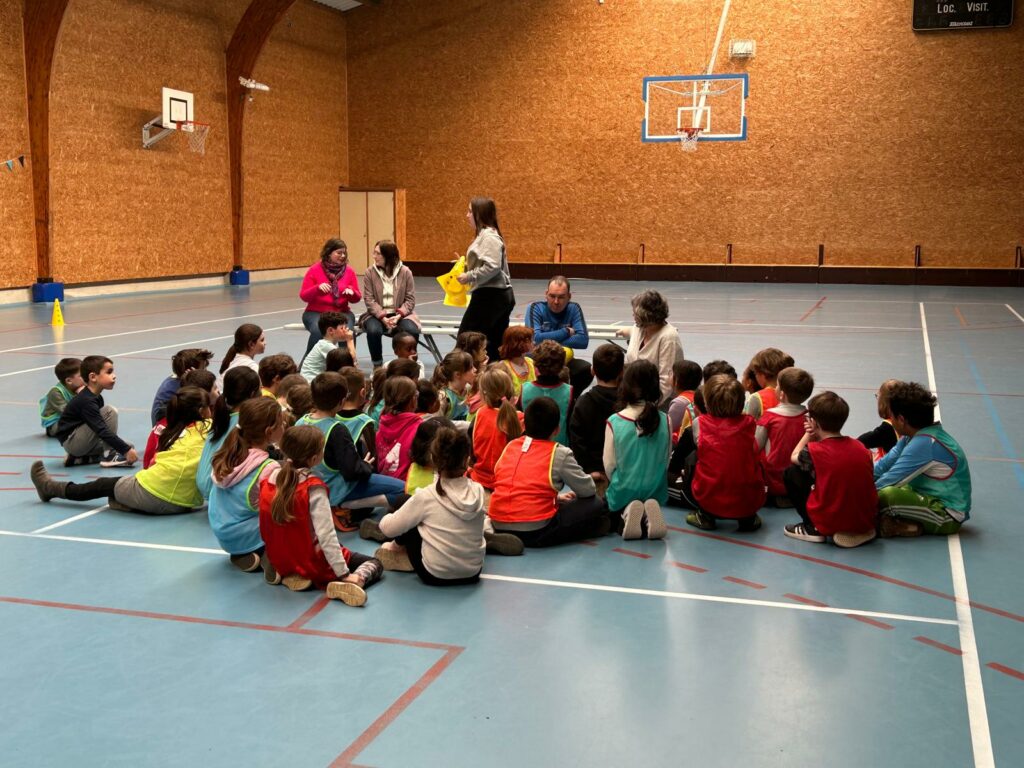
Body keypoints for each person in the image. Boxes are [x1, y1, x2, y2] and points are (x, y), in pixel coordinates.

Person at [31, 387, 212, 515]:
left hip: (158, 496)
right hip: (182, 501)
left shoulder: (175, 429)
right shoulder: (209, 427)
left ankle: (51, 488)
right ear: (202, 411)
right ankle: (51, 489)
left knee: (102, 484)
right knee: (114, 486)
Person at [258, 425, 384, 605]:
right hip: (311, 561)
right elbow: (327, 536)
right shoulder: (313, 488)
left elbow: (265, 527)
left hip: (281, 557)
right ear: (314, 458)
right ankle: (350, 582)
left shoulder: (269, 480)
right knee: (375, 563)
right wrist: (343, 573)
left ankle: (289, 572)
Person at [374, 426, 488, 586]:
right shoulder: (479, 490)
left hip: (434, 575)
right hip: (473, 572)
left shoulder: (426, 496)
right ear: (467, 460)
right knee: (421, 513)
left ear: (434, 460)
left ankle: (398, 549)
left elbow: (387, 529)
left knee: (404, 503)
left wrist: (389, 517)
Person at [489, 397, 608, 548]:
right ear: (557, 429)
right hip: (535, 529)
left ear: (524, 424)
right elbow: (588, 490)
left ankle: (502, 537)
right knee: (596, 504)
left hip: (498, 522)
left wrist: (555, 499)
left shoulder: (511, 446)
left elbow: (515, 484)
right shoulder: (559, 453)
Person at [296, 372, 406, 532]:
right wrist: (365, 465)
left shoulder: (300, 422)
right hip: (337, 489)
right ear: (342, 401)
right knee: (402, 489)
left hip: (310, 486)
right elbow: (351, 472)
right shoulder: (337, 430)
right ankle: (343, 507)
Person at [874, 382, 972, 537]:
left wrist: (851, 495)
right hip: (924, 495)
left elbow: (890, 480)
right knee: (885, 493)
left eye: (891, 416)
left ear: (901, 419)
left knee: (887, 495)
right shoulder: (912, 436)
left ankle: (899, 524)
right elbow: (882, 466)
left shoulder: (926, 443)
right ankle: (903, 525)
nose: (890, 420)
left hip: (947, 514)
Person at [783, 392, 878, 548]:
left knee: (792, 473)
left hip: (832, 521)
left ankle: (812, 527)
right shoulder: (860, 447)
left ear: (814, 422)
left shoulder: (814, 452)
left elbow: (793, 456)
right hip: (866, 519)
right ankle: (858, 528)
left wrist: (808, 434)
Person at [680, 374, 767, 532]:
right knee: (747, 461)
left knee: (694, 458)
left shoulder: (700, 422)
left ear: (707, 403)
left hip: (709, 498)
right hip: (749, 500)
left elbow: (699, 446)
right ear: (742, 402)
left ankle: (705, 516)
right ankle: (748, 518)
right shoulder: (749, 422)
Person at [209, 398, 284, 573]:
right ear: (269, 431)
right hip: (250, 535)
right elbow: (277, 508)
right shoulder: (268, 467)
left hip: (224, 535)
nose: (284, 426)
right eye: (281, 423)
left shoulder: (228, 455)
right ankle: (272, 557)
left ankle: (244, 554)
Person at [604, 361, 671, 540]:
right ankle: (647, 513)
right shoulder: (666, 420)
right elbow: (666, 459)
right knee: (648, 494)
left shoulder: (615, 420)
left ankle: (627, 513)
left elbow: (609, 465)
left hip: (624, 488)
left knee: (606, 512)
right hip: (655, 487)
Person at [456, 197, 515, 363]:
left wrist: (469, 276)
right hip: (495, 295)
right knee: (493, 344)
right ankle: (491, 375)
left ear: (479, 214)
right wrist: (465, 265)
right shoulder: (484, 235)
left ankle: (463, 373)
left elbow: (493, 266)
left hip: (491, 297)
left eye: (470, 211)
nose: (467, 215)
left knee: (467, 341)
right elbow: (486, 263)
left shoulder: (489, 236)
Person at [54, 355, 137, 468]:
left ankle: (80, 459)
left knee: (129, 445)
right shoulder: (86, 401)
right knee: (110, 411)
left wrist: (126, 448)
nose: (114, 376)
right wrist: (125, 450)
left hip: (80, 441)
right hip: (72, 441)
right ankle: (109, 456)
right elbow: (101, 429)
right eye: (109, 372)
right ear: (93, 377)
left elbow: (99, 428)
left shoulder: (96, 397)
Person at [197, 367, 261, 501]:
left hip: (204, 484)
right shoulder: (247, 422)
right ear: (253, 394)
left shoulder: (221, 416)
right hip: (217, 487)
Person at [524, 276, 593, 395]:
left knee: (586, 370)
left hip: (563, 360)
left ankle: (570, 398)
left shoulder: (573, 308)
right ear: (546, 294)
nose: (556, 302)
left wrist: (547, 340)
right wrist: (565, 332)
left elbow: (583, 340)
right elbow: (535, 339)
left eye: (561, 297)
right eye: (552, 296)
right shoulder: (536, 308)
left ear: (569, 296)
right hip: (539, 361)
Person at [569, 343, 625, 488]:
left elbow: (577, 440)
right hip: (624, 470)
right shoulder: (628, 402)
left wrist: (587, 469)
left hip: (595, 473)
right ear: (622, 371)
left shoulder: (583, 402)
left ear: (593, 370)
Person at [359, 239, 420, 369]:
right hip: (376, 315)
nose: (374, 256)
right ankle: (377, 366)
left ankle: (407, 364)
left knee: (412, 331)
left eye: (378, 254)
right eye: (374, 253)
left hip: (401, 315)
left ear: (388, 256)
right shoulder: (370, 272)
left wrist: (399, 315)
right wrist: (382, 317)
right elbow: (369, 299)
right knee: (373, 331)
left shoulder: (406, 272)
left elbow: (410, 299)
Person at [756, 366, 814, 503]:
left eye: (777, 386)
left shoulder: (769, 417)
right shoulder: (809, 418)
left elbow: (755, 446)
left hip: (772, 480)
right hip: (799, 481)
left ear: (782, 394)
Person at [617, 290, 684, 405]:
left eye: (635, 313)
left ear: (645, 315)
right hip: (635, 396)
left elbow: (666, 383)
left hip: (660, 401)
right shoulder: (639, 328)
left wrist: (648, 407)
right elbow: (632, 331)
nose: (633, 315)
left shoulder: (668, 338)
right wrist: (624, 331)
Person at [299, 238, 361, 357]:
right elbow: (304, 296)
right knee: (318, 331)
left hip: (342, 312)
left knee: (347, 332)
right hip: (316, 313)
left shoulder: (349, 271)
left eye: (344, 253)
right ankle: (308, 362)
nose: (342, 256)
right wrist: (317, 288)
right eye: (339, 253)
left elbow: (357, 298)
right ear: (328, 253)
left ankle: (346, 363)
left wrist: (352, 293)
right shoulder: (314, 270)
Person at [144, 369, 217, 468]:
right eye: (215, 388)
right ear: (203, 395)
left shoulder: (166, 422)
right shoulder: (202, 429)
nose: (218, 392)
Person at [468, 368, 524, 490]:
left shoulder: (480, 414)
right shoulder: (521, 419)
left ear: (483, 394)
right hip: (508, 484)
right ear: (511, 391)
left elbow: (472, 451)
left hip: (478, 480)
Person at [521, 340, 572, 446]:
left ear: (536, 365)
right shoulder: (569, 391)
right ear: (561, 366)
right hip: (559, 447)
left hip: (531, 446)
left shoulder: (525, 389)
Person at [376, 376, 422, 481]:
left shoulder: (382, 425)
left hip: (383, 481)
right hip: (406, 485)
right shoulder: (419, 427)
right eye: (416, 394)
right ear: (413, 400)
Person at [150, 348, 213, 425]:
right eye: (203, 369)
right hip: (170, 428)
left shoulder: (178, 380)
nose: (206, 372)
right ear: (190, 372)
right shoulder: (180, 388)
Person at [300, 312, 355, 381]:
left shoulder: (324, 344)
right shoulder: (325, 346)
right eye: (342, 328)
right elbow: (351, 360)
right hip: (311, 383)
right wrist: (350, 340)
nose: (346, 330)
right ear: (330, 330)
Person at [744, 348, 795, 419]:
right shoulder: (792, 395)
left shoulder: (756, 398)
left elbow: (749, 423)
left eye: (755, 373)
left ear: (763, 375)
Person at [858, 379, 901, 460]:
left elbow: (861, 441)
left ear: (884, 402)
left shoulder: (887, 428)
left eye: (878, 396)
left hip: (893, 466)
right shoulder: (910, 419)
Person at [40, 358, 83, 437]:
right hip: (55, 425)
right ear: (69, 381)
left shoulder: (80, 387)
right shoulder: (56, 393)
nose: (86, 377)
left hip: (72, 419)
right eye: (82, 376)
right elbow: (68, 413)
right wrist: (82, 396)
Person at [433, 350, 476, 422]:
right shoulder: (443, 397)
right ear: (458, 374)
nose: (475, 369)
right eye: (471, 368)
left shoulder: (469, 389)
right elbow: (435, 423)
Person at [498, 325, 536, 403]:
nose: (534, 343)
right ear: (518, 344)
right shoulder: (503, 367)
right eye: (530, 340)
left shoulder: (530, 362)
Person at [667, 360, 703, 440]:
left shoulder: (678, 403)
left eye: (671, 373)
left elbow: (669, 429)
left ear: (677, 380)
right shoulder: (698, 396)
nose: (669, 376)